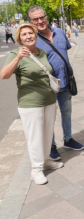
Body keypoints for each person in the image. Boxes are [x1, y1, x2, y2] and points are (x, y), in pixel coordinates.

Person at [0, 24, 64, 185]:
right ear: (19, 38)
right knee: (35, 136)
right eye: (24, 34)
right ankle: (36, 170)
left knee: (47, 133)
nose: (28, 36)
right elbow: (4, 75)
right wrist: (18, 58)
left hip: (48, 100)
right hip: (30, 103)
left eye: (31, 33)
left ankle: (45, 160)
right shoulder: (16, 53)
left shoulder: (41, 52)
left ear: (35, 35)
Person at [27, 5, 84, 162]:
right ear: (31, 21)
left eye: (42, 17)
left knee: (67, 112)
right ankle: (51, 146)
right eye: (35, 19)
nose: (40, 21)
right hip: (46, 85)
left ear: (46, 17)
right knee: (49, 117)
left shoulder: (59, 32)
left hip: (64, 80)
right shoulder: (32, 39)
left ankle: (68, 139)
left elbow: (64, 51)